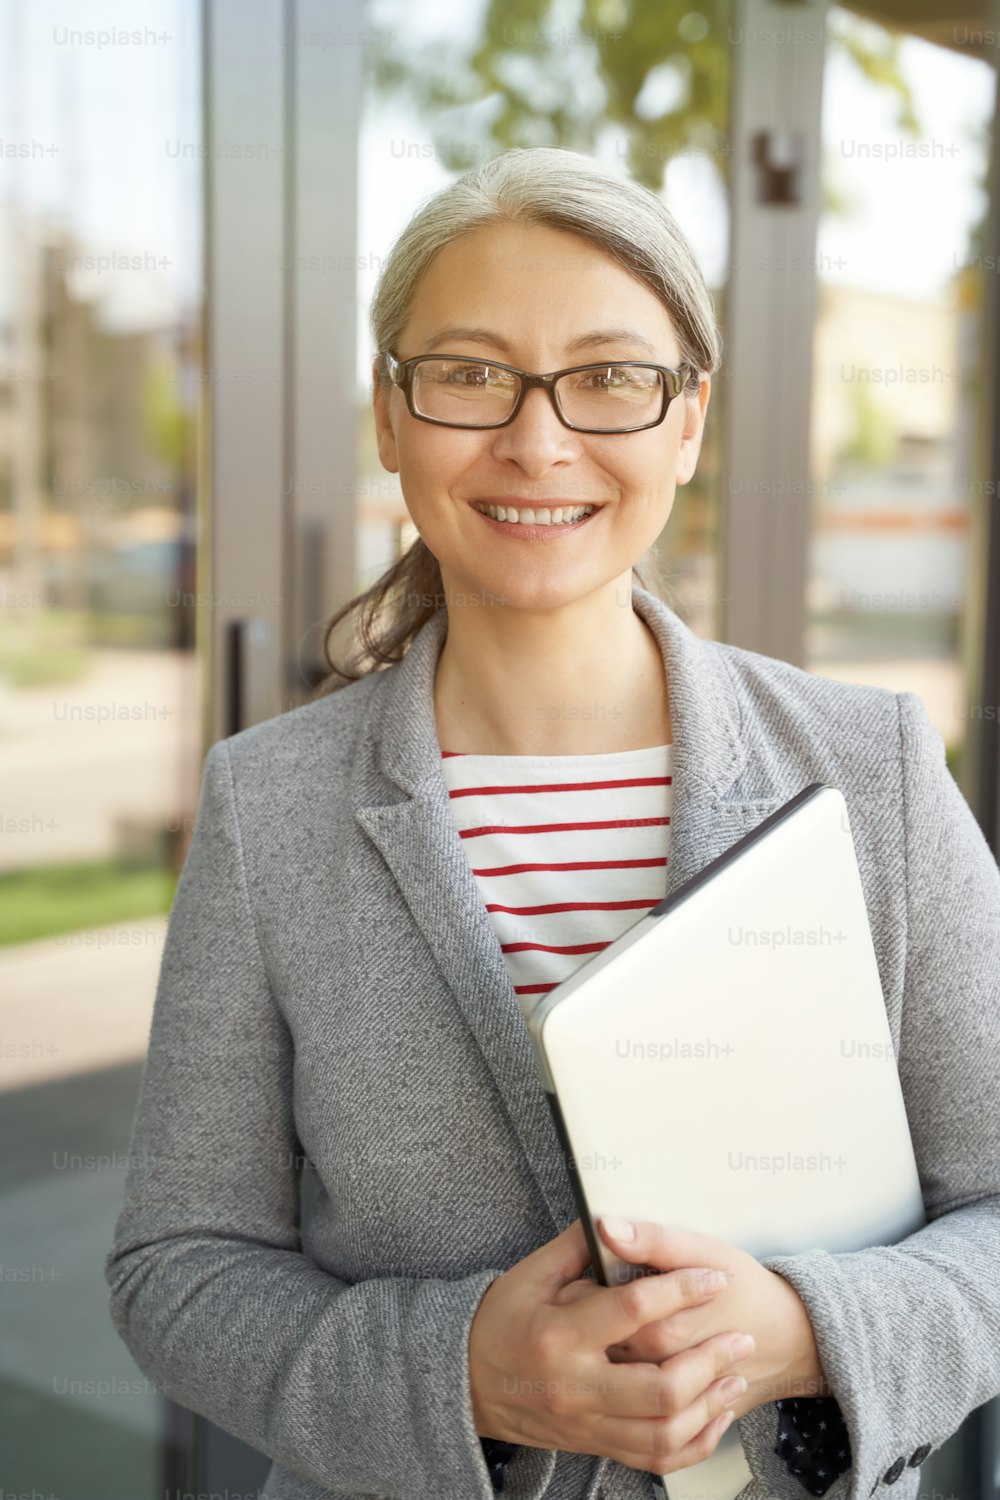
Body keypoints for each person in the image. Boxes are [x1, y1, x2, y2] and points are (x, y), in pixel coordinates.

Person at [105, 147, 1000, 1500]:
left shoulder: (868, 769)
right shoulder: (269, 802)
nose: (538, 440)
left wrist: (809, 1333)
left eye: (610, 377)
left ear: (688, 421)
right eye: (469, 373)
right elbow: (179, 1263)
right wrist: (459, 1369)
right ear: (392, 416)